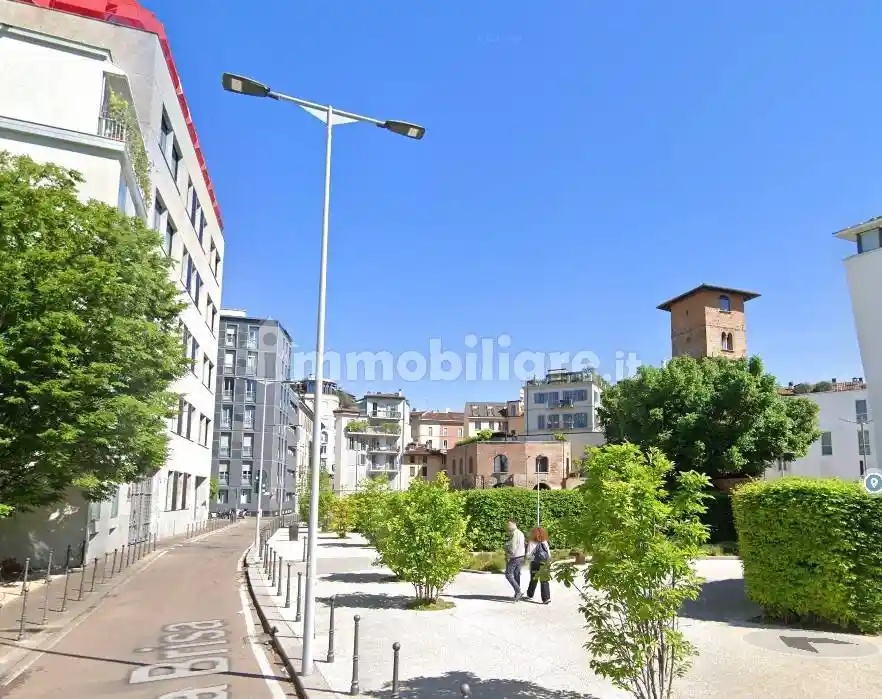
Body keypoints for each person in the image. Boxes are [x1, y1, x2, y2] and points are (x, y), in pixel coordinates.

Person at [526, 526, 551, 604]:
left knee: (533, 579)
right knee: (544, 580)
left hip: (535, 563)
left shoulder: (531, 542)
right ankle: (546, 598)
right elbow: (548, 554)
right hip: (544, 563)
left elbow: (529, 554)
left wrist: (528, 562)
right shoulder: (544, 541)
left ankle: (530, 594)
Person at [503, 519, 526, 601]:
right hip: (521, 556)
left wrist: (508, 554)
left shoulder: (515, 534)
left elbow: (513, 547)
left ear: (514, 524)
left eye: (509, 525)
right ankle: (517, 594)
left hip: (515, 557)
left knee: (508, 574)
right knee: (517, 574)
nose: (508, 527)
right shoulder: (520, 533)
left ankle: (518, 591)